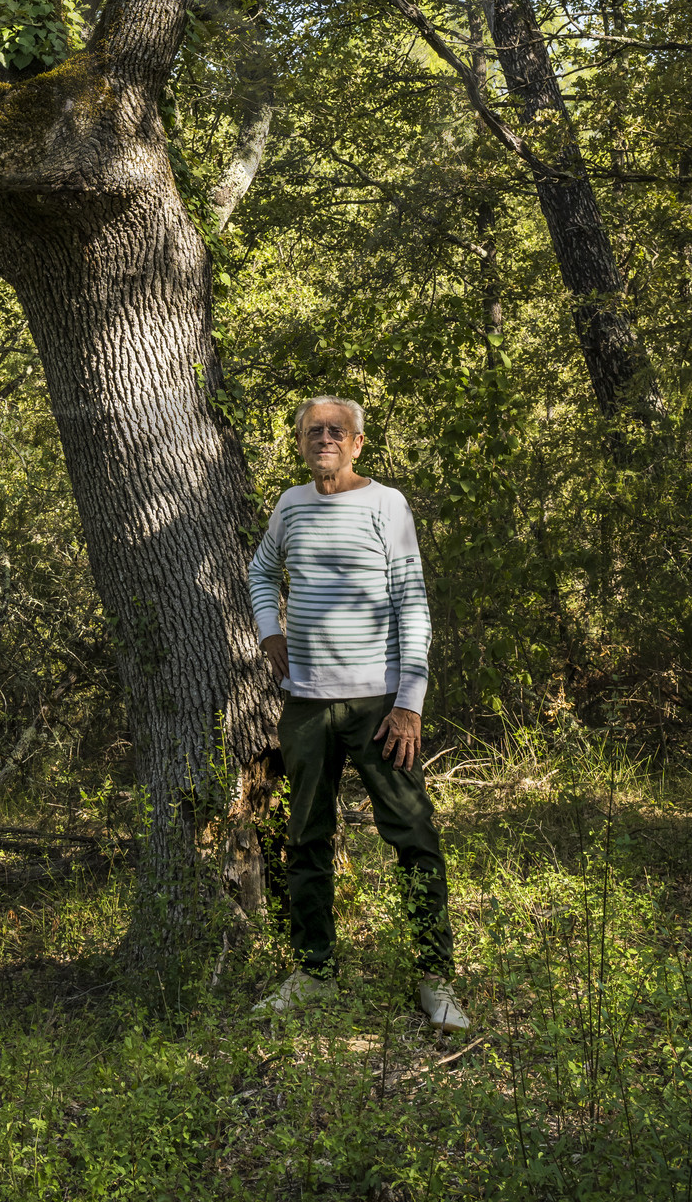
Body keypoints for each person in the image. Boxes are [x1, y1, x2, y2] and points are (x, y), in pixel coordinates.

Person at [247, 395, 469, 1028]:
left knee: (413, 835)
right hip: (306, 704)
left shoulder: (385, 504)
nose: (324, 438)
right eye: (313, 430)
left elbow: (413, 603)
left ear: (357, 443)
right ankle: (314, 972)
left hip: (379, 705)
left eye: (336, 431)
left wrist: (409, 705)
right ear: (299, 442)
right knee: (305, 837)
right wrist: (270, 631)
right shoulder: (290, 506)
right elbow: (262, 571)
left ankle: (435, 979)